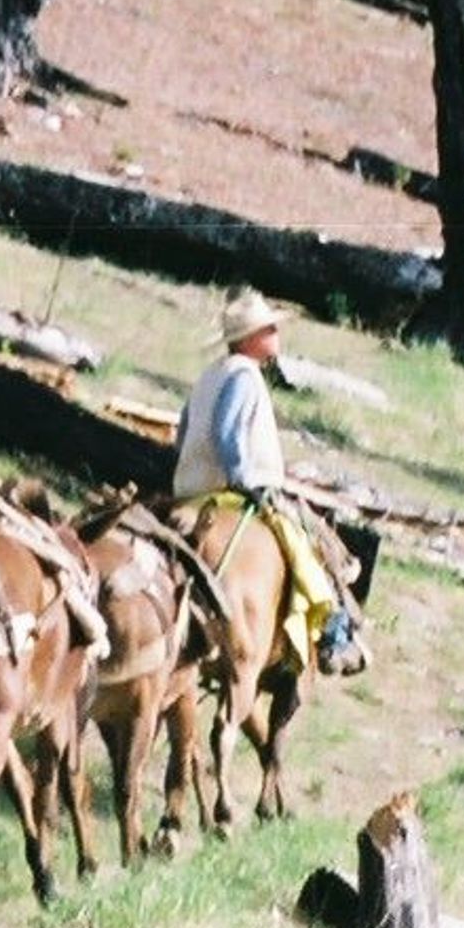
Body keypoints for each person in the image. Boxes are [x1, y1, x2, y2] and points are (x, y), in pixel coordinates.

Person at [171, 290, 363, 678]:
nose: (276, 333)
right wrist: (245, 482)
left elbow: (183, 433)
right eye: (268, 328)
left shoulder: (211, 374)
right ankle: (332, 631)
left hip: (188, 492)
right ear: (248, 338)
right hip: (230, 493)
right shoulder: (244, 376)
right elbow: (228, 436)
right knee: (302, 540)